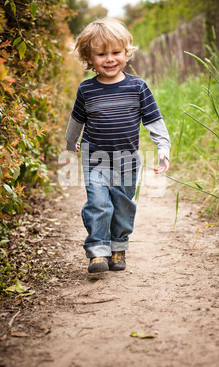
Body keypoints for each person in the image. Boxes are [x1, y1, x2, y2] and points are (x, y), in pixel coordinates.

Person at [65, 18, 171, 274]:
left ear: (126, 52)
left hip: (127, 159)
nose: (110, 59)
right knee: (99, 203)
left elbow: (154, 120)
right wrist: (71, 144)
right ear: (89, 58)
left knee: (123, 204)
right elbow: (77, 120)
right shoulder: (86, 89)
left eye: (115, 52)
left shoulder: (137, 87)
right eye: (101, 54)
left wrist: (163, 149)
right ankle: (97, 252)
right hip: (94, 157)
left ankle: (118, 247)